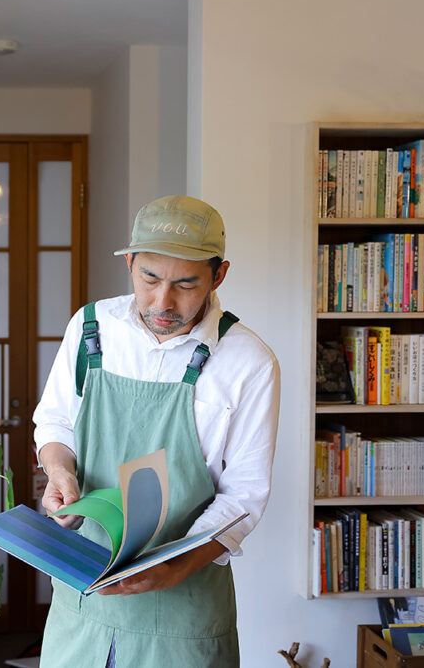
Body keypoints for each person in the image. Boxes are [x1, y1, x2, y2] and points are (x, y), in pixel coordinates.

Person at [33, 195, 280, 667]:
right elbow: (55, 420)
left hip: (184, 613)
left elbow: (244, 495)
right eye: (149, 279)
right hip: (84, 597)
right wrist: (59, 472)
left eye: (185, 284)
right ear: (129, 263)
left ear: (219, 275)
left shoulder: (250, 362)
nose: (163, 301)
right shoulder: (92, 328)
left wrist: (175, 568)